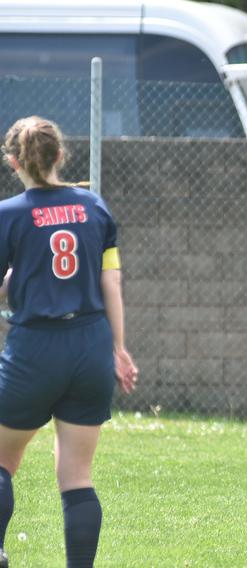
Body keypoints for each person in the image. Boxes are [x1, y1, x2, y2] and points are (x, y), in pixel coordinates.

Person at [0, 116, 138, 568]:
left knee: (2, 461)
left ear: (13, 161)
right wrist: (118, 351)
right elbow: (110, 282)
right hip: (91, 346)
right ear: (61, 156)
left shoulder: (10, 214)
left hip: (35, 347)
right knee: (77, 477)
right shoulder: (94, 207)